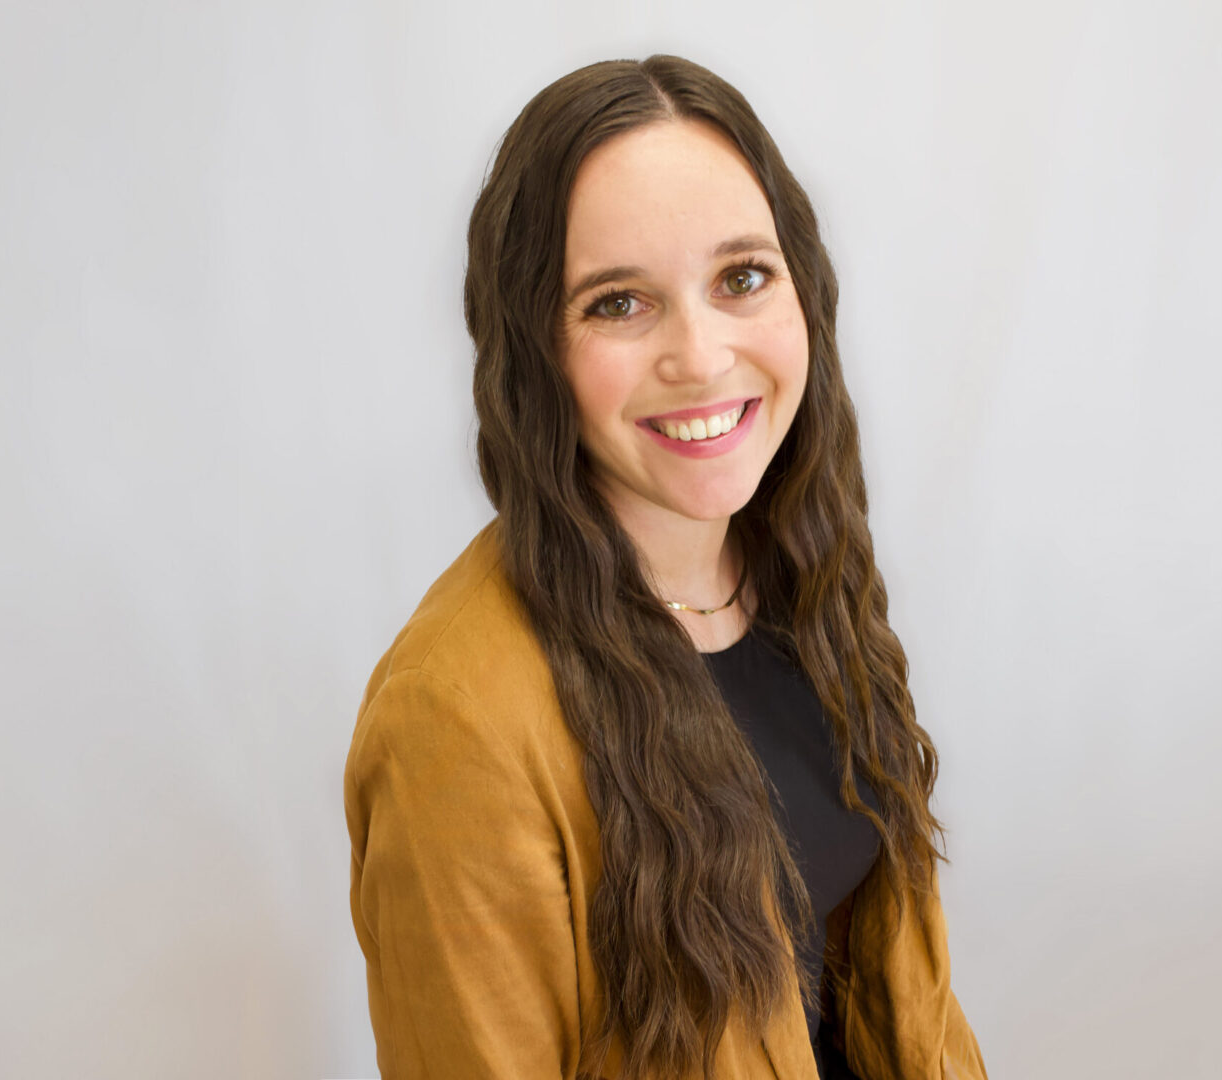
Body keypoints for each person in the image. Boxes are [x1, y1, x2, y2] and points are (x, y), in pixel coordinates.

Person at [344, 54, 988, 1080]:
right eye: (616, 303)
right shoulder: (452, 720)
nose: (698, 355)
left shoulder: (799, 578)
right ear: (532, 348)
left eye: (740, 278)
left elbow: (901, 1008)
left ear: (801, 292)